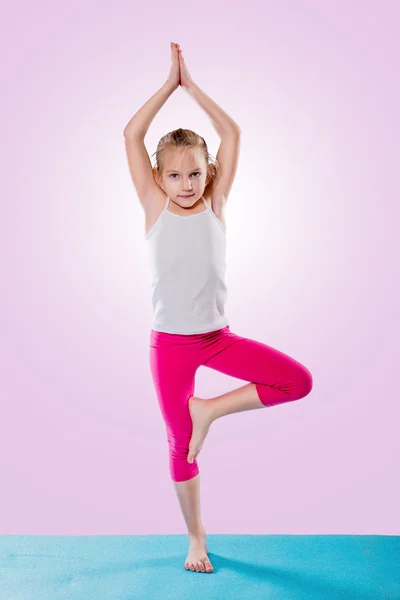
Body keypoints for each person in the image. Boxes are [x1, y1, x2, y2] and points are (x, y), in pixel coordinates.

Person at [123, 42, 313, 574]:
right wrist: (167, 86)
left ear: (209, 173)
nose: (187, 185)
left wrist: (193, 85)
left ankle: (210, 409)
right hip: (171, 344)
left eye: (195, 174)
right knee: (181, 448)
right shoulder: (153, 204)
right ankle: (196, 537)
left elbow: (231, 135)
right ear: (159, 179)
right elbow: (131, 136)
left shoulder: (217, 202)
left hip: (216, 338)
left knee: (296, 381)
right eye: (176, 175)